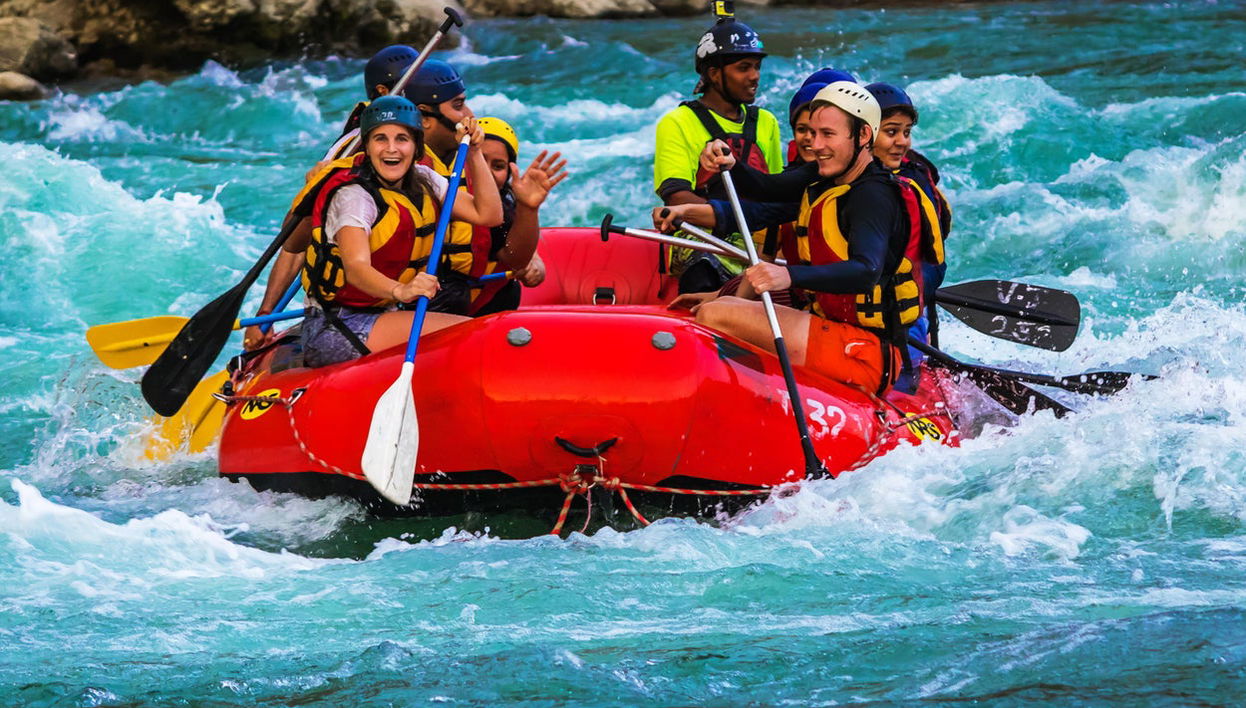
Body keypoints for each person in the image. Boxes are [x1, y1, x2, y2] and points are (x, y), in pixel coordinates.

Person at [657, 82, 942, 395]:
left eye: (828, 134)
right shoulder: (827, 175)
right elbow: (766, 189)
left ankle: (750, 395)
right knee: (724, 304)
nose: (816, 145)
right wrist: (731, 164)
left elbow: (866, 271)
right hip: (837, 329)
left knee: (716, 314)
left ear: (863, 136)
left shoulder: (873, 196)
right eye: (812, 133)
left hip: (865, 352)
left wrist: (787, 275)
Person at [299, 95, 503, 368]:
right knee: (472, 335)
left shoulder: (424, 178)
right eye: (380, 139)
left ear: (416, 146)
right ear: (367, 147)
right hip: (337, 325)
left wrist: (475, 153)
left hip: (385, 312)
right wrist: (402, 290)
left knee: (475, 335)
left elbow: (488, 215)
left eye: (402, 139)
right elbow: (356, 268)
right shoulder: (354, 197)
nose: (391, 149)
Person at [243, 45, 423, 350]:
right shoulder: (351, 152)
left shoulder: (426, 147)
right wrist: (266, 313)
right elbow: (298, 240)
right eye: (417, 84)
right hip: (354, 310)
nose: (425, 92)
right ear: (384, 92)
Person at [652, 14, 783, 294]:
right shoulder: (677, 122)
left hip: (755, 240)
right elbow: (676, 197)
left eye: (757, 67)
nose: (755, 76)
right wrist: (735, 219)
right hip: (702, 239)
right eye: (743, 68)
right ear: (713, 74)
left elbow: (776, 192)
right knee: (703, 272)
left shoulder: (766, 122)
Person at [865, 81, 952, 349]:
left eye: (906, 132)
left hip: (902, 320)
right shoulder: (843, 178)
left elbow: (932, 264)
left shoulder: (914, 181)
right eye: (891, 132)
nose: (902, 141)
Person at [470, 117, 569, 315]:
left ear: (508, 172)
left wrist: (536, 268)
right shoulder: (442, 196)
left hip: (491, 311)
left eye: (498, 166)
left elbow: (521, 256)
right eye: (479, 160)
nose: (487, 172)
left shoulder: (507, 210)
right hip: (448, 308)